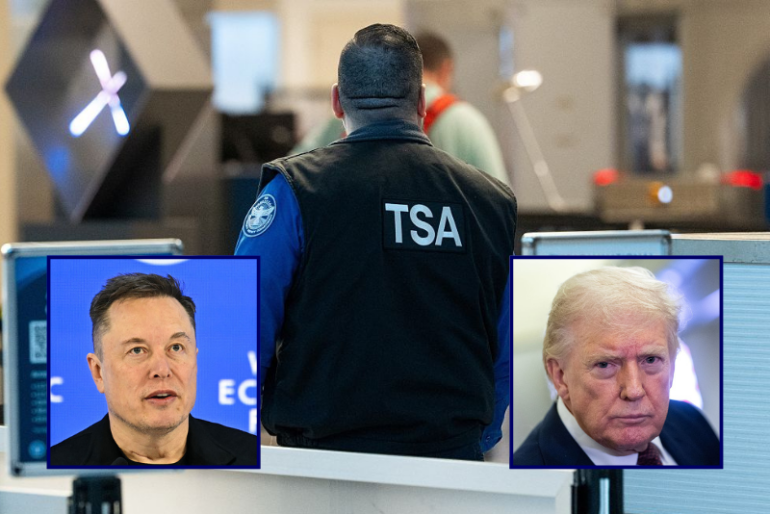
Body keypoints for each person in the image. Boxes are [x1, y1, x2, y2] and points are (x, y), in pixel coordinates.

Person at [235, 24, 517, 460]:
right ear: (422, 102)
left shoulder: (294, 191)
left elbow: (245, 325)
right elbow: (506, 347)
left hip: (322, 460)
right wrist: (476, 440)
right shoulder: (489, 202)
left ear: (336, 101)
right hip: (452, 463)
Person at [512, 266, 720, 467]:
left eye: (650, 360)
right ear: (560, 376)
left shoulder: (692, 423)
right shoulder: (527, 482)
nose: (634, 390)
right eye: (604, 365)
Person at [50, 273, 258, 466]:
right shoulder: (54, 469)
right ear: (98, 372)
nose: (162, 369)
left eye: (176, 348)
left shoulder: (253, 458)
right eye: (137, 350)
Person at [291, 32, 509, 186]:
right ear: (446, 68)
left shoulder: (346, 114)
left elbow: (291, 176)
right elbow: (497, 203)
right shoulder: (467, 121)